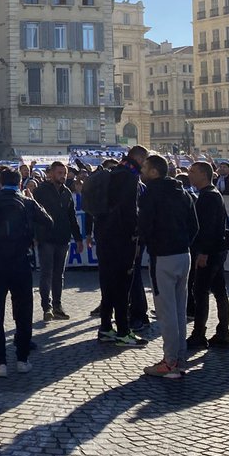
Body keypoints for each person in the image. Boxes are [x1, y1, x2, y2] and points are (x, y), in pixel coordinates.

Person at [0, 169, 52, 376]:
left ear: (0, 182)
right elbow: (49, 222)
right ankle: (22, 359)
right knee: (23, 311)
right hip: (20, 262)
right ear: (20, 183)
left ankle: (0, 362)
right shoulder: (27, 202)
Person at [137, 154, 198, 378]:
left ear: (154, 172)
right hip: (183, 254)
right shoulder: (184, 193)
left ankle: (170, 361)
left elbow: (144, 226)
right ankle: (179, 357)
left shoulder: (150, 194)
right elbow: (194, 226)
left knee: (166, 311)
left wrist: (152, 243)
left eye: (144, 167)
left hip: (163, 256)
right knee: (179, 308)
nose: (141, 171)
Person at [97, 146, 149, 346]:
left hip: (104, 236)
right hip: (121, 238)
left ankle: (105, 328)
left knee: (108, 284)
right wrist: (136, 234)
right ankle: (123, 330)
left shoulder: (113, 172)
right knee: (122, 284)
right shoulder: (130, 176)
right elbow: (129, 211)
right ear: (139, 158)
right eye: (145, 160)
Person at [186, 162, 229, 350]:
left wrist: (203, 252)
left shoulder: (208, 197)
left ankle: (199, 333)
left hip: (210, 251)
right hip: (217, 249)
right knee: (219, 291)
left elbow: (208, 228)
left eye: (193, 171)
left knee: (201, 291)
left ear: (204, 175)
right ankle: (223, 332)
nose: (189, 174)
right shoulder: (211, 194)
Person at [32, 161, 83, 321]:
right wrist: (34, 235)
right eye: (59, 173)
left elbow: (71, 217)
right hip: (46, 238)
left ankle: (57, 306)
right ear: (51, 173)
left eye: (64, 173)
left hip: (63, 238)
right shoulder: (41, 191)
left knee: (59, 274)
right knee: (46, 273)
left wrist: (78, 238)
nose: (63, 176)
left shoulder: (67, 192)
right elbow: (33, 215)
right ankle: (46, 307)